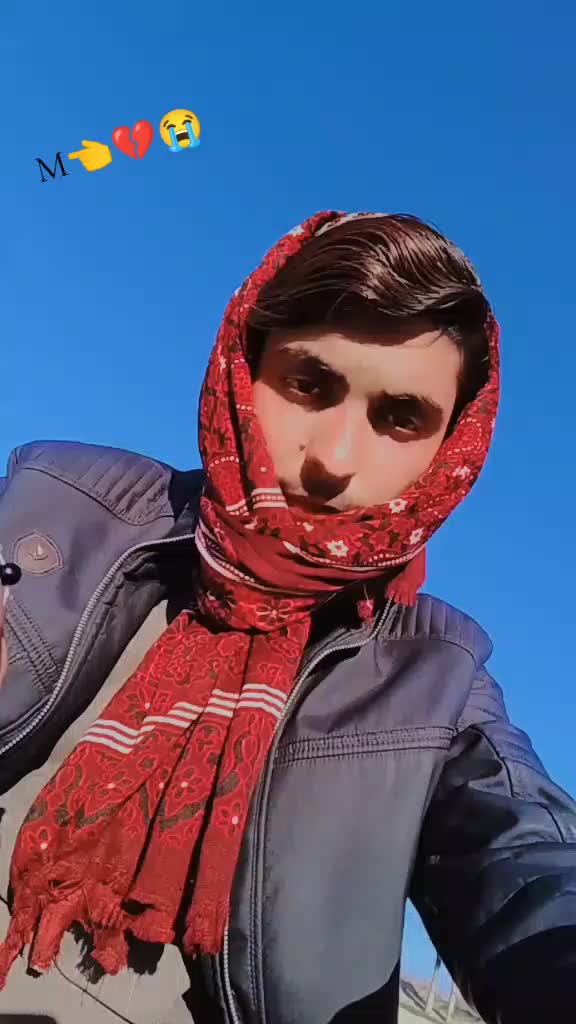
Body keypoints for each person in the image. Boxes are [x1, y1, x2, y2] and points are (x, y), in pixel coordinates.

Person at [0, 210, 574, 1024]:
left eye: (399, 417)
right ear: (244, 366)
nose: (334, 460)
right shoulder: (54, 504)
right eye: (309, 384)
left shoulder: (437, 684)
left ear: (451, 451)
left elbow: (526, 860)